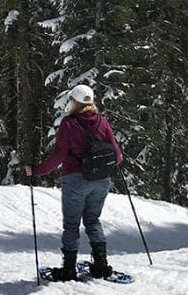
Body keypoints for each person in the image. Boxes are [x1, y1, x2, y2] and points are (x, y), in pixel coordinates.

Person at [25, 84, 123, 281]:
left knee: (71, 225)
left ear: (75, 102)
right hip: (101, 180)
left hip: (76, 180)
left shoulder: (69, 123)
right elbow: (118, 156)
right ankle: (101, 266)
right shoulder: (102, 122)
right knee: (93, 220)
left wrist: (36, 170)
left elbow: (59, 155)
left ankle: (68, 269)